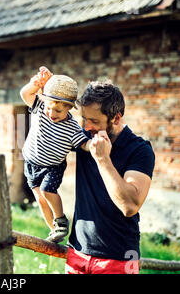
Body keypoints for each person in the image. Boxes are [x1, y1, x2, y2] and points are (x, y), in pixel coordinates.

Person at [65, 80, 155, 274]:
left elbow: (130, 206)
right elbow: (49, 125)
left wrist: (103, 159)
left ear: (116, 118)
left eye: (95, 121)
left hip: (119, 257)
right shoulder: (84, 138)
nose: (87, 127)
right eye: (84, 119)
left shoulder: (140, 150)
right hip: (77, 251)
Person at [20, 66, 91, 243]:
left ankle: (60, 221)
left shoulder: (72, 127)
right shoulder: (40, 107)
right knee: (40, 199)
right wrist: (35, 84)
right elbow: (25, 95)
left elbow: (84, 144)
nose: (51, 114)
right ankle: (54, 231)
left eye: (58, 111)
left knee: (47, 191)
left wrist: (95, 144)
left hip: (52, 167)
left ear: (69, 109)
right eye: (50, 108)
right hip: (30, 162)